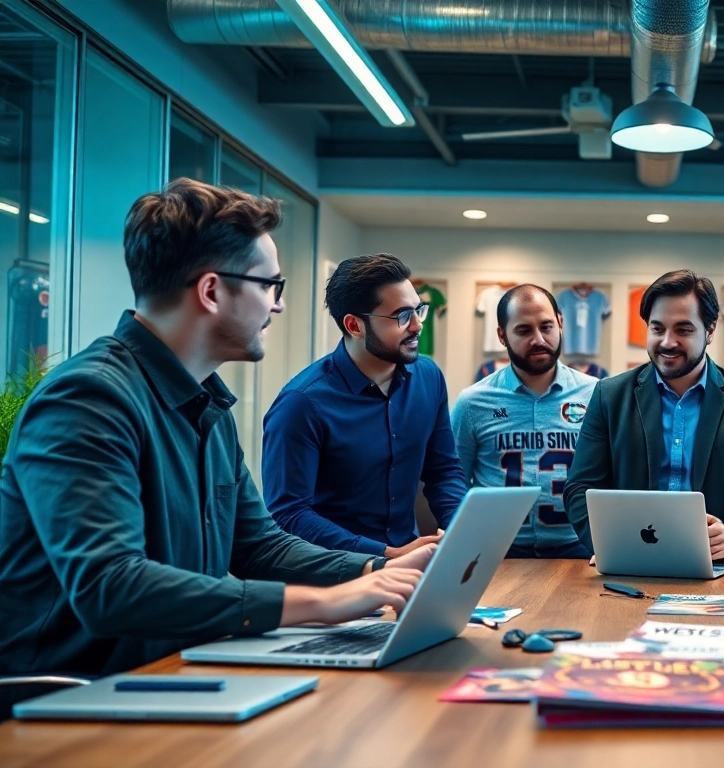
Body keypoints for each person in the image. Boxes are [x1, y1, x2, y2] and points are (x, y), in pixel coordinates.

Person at [0, 180, 430, 714]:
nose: (278, 305)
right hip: (69, 701)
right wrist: (322, 603)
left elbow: (259, 546)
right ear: (211, 291)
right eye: (270, 285)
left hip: (171, 677)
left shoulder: (207, 404)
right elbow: (111, 585)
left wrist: (375, 574)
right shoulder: (87, 400)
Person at [564, 269, 724, 560]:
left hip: (717, 567)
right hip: (629, 561)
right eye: (657, 329)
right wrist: (608, 544)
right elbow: (579, 489)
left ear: (710, 330)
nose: (668, 342)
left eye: (683, 330)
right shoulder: (609, 395)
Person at [262, 254, 467, 557]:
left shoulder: (429, 377)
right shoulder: (301, 404)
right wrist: (386, 555)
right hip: (335, 572)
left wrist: (460, 532)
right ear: (354, 325)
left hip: (413, 562)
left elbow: (443, 470)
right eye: (402, 316)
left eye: (418, 310)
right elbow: (289, 515)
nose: (417, 325)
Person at [452, 284, 598, 559]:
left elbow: (612, 478)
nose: (538, 339)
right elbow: (453, 481)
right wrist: (463, 541)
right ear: (502, 335)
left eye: (546, 327)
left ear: (560, 323)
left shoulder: (596, 394)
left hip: (579, 548)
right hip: (496, 550)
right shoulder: (473, 403)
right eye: (523, 330)